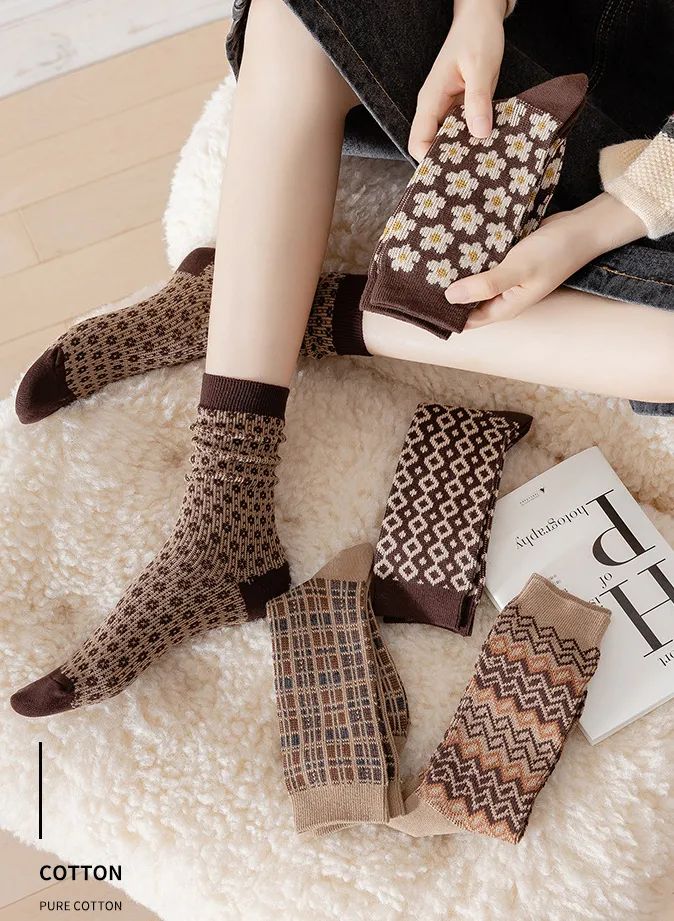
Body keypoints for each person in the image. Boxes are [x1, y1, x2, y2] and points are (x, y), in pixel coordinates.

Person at [10, 0, 674, 717]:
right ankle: (225, 503)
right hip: (526, 42)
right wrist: (479, 13)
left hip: (650, 149)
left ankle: (264, 306)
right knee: (290, 16)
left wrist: (594, 227)